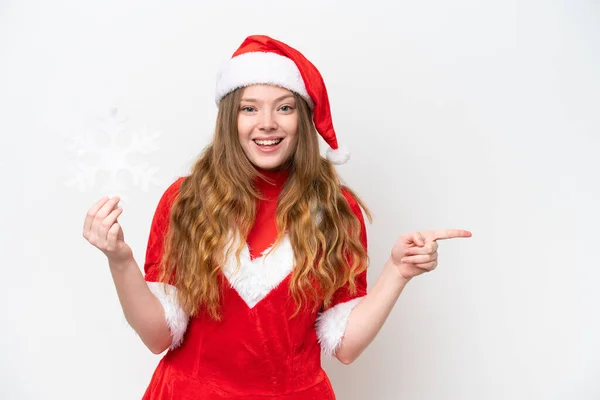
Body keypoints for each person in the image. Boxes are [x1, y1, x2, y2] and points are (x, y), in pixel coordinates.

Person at [83, 35, 472, 399]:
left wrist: (397, 272)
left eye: (284, 107)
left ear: (302, 118)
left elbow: (346, 347)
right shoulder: (186, 200)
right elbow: (158, 337)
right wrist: (120, 261)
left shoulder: (335, 209)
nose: (266, 122)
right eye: (249, 108)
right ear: (229, 120)